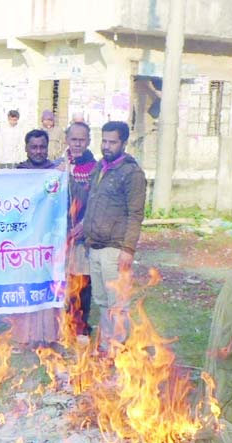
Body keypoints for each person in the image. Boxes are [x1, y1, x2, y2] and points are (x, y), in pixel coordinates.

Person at [81, 120, 146, 353]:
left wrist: (128, 250)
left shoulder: (132, 173)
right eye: (104, 141)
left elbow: (136, 214)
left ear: (124, 143)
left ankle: (118, 350)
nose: (107, 146)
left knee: (117, 303)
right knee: (101, 301)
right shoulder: (101, 167)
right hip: (95, 246)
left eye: (113, 142)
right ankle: (107, 344)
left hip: (115, 249)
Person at [10, 129, 60, 347]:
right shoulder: (18, 174)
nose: (38, 151)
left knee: (48, 287)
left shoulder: (56, 173)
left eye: (42, 147)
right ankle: (24, 337)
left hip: (50, 242)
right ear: (26, 148)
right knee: (25, 288)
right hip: (25, 243)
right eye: (34, 147)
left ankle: (48, 337)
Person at [60, 121, 96, 336]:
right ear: (67, 140)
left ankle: (81, 326)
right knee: (63, 282)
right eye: (74, 139)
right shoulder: (58, 166)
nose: (77, 144)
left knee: (82, 282)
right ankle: (64, 324)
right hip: (61, 236)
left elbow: (99, 202)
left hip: (84, 235)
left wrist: (84, 225)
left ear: (89, 141)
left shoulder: (97, 168)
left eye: (82, 140)